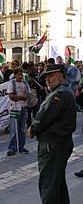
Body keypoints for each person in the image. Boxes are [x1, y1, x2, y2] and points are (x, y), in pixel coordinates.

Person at [28, 64, 76, 204]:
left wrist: (32, 129)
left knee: (49, 184)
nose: (47, 80)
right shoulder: (62, 92)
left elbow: (44, 117)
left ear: (61, 76)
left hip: (53, 144)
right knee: (57, 183)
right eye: (45, 77)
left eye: (50, 76)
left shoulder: (59, 95)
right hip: (58, 143)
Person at [7, 67, 30, 156]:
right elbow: (11, 96)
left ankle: (21, 146)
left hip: (23, 108)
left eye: (22, 74)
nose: (21, 76)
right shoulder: (11, 84)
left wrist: (19, 97)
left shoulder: (25, 84)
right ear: (15, 75)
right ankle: (12, 148)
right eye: (19, 74)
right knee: (14, 129)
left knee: (22, 129)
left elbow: (27, 95)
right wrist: (20, 97)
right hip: (15, 109)